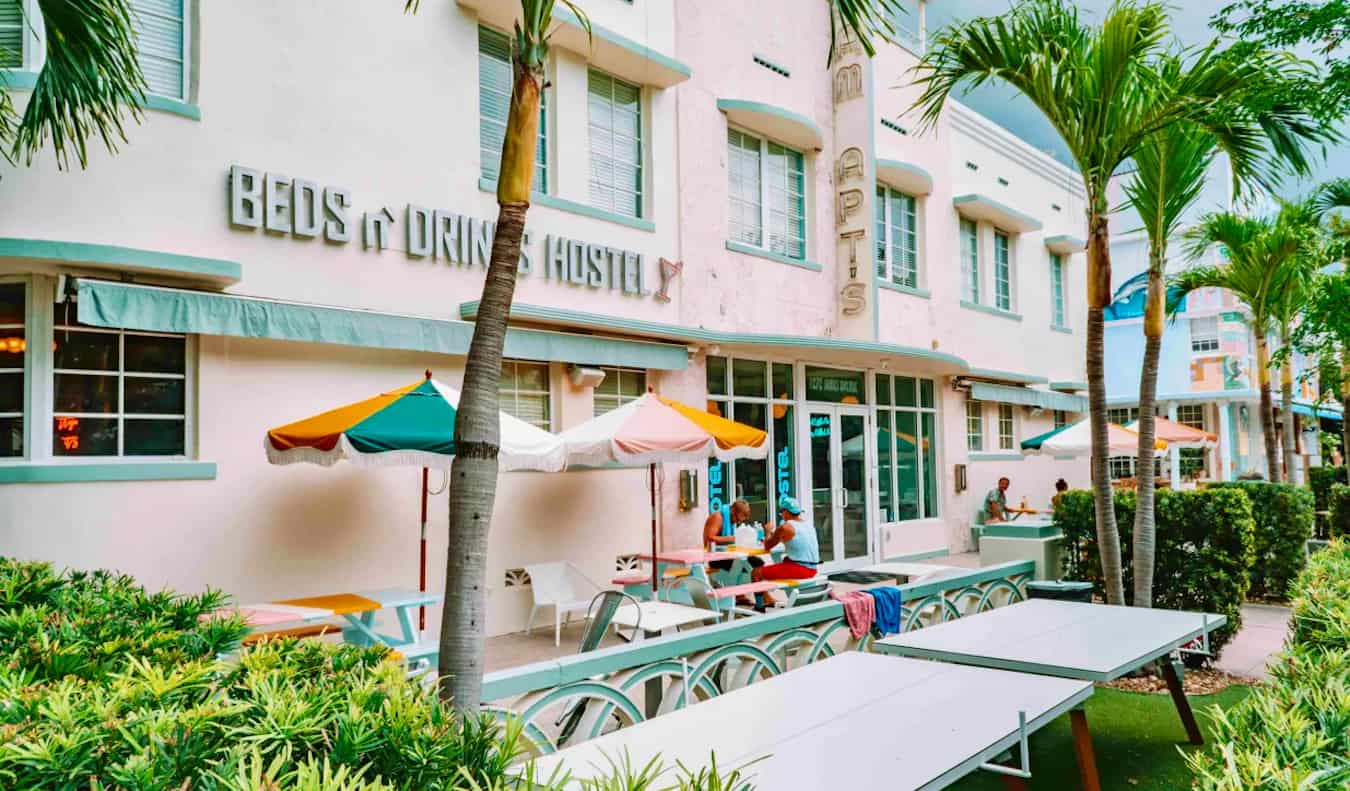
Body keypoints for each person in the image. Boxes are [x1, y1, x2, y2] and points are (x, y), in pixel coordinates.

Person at [752, 496, 820, 583]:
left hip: (801, 569)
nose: (781, 514)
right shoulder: (808, 524)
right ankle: (767, 596)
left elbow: (767, 546)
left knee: (756, 573)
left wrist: (767, 532)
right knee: (783, 561)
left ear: (785, 511)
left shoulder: (785, 527)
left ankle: (761, 597)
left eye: (781, 511)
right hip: (813, 568)